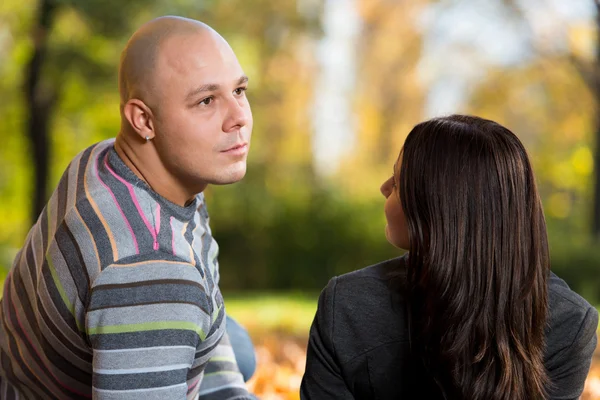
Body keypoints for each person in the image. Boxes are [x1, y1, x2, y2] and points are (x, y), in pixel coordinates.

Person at [0, 16, 257, 399]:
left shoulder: (108, 160)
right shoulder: (151, 268)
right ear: (143, 120)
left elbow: (204, 292)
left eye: (238, 90)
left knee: (237, 347)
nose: (239, 118)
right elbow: (161, 283)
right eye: (206, 101)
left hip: (22, 368)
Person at [301, 115, 599, 400]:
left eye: (398, 179)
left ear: (441, 209)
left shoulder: (348, 308)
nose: (384, 187)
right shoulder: (569, 323)